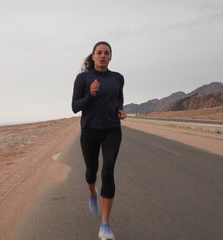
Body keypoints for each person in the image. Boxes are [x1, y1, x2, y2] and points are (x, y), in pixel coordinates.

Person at [72, 41, 127, 240]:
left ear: (110, 57)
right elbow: (75, 107)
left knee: (108, 171)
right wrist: (91, 94)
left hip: (112, 129)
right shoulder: (83, 78)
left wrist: (120, 110)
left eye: (106, 53)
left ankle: (105, 225)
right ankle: (93, 194)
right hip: (89, 130)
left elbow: (119, 98)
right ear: (93, 56)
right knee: (91, 172)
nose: (103, 55)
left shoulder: (117, 78)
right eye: (99, 53)